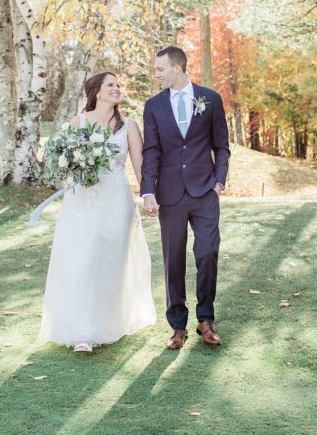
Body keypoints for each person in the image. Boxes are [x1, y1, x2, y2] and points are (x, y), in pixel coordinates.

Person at [39, 72, 157, 353]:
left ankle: (109, 323)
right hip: (83, 203)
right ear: (96, 91)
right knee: (85, 260)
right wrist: (76, 165)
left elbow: (140, 165)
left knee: (112, 262)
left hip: (117, 199)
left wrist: (149, 195)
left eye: (118, 85)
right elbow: (63, 162)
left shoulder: (128, 126)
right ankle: (83, 331)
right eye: (110, 85)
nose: (117, 89)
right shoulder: (78, 123)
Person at [140, 46, 230, 350]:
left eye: (160, 69)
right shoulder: (153, 106)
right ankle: (177, 326)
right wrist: (148, 190)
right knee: (173, 259)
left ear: (177, 68)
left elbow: (222, 146)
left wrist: (219, 183)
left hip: (205, 191)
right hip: (170, 193)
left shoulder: (211, 99)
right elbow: (151, 150)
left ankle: (206, 319)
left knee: (207, 252)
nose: (156, 74)